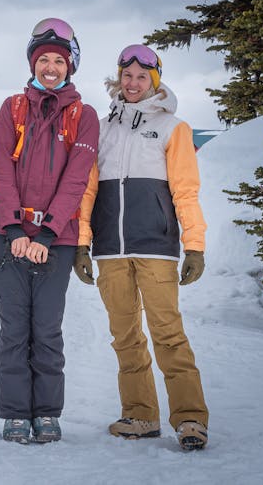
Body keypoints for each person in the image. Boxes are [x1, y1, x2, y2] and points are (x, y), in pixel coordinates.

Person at [75, 44, 209, 450]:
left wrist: (195, 245)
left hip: (156, 248)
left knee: (168, 333)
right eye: (127, 76)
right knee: (125, 335)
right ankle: (140, 415)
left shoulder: (174, 128)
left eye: (141, 77)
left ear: (154, 81)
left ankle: (190, 419)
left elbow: (186, 191)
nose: (132, 83)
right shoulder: (100, 127)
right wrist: (82, 243)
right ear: (118, 79)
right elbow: (87, 189)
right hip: (110, 250)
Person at [0, 18, 99, 444]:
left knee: (47, 329)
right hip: (10, 236)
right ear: (33, 63)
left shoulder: (84, 116)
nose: (50, 67)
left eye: (59, 60)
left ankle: (47, 413)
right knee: (13, 328)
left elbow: (76, 179)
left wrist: (47, 235)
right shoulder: (12, 108)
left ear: (70, 67)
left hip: (58, 240)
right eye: (43, 60)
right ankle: (16, 413)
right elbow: (1, 169)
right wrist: (15, 228)